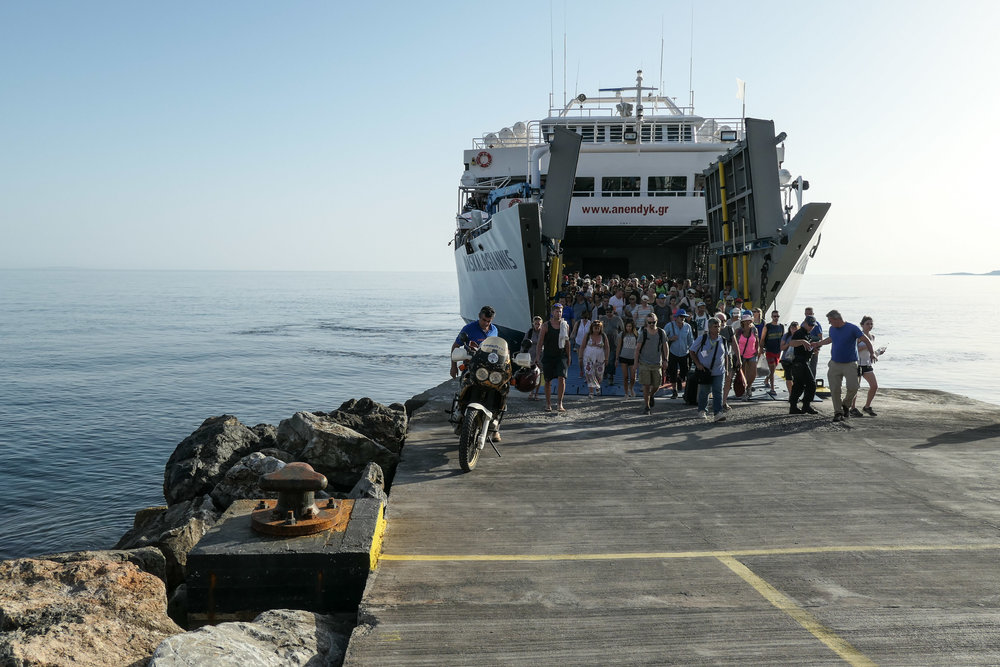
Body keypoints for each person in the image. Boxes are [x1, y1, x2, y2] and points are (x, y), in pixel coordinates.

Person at [813, 309, 875, 423]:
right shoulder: (832, 329)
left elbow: (866, 340)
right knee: (835, 389)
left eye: (830, 321)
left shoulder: (852, 328)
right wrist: (818, 343)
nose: (829, 323)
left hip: (850, 364)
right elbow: (831, 339)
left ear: (837, 319)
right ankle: (838, 412)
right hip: (835, 363)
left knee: (854, 387)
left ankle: (846, 404)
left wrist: (872, 353)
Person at [689, 318, 730, 421]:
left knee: (718, 391)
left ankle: (718, 413)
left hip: (719, 371)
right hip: (705, 370)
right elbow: (692, 351)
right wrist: (698, 364)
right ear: (710, 328)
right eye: (715, 327)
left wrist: (727, 369)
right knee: (705, 391)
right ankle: (702, 410)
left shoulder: (723, 340)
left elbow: (726, 356)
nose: (718, 329)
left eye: (719, 326)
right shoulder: (702, 338)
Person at [536, 303, 572, 412]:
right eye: (557, 311)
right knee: (547, 380)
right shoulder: (546, 326)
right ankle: (548, 403)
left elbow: (567, 342)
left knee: (562, 378)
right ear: (552, 312)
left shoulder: (565, 325)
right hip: (548, 355)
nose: (559, 313)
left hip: (561, 356)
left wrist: (569, 356)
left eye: (560, 311)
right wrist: (538, 356)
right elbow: (540, 342)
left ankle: (559, 403)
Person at [634, 313, 669, 415]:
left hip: (657, 363)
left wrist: (666, 360)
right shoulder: (643, 333)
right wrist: (635, 363)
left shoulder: (661, 332)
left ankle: (650, 395)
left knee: (657, 385)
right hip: (644, 363)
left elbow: (665, 346)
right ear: (646, 322)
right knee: (646, 385)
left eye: (653, 322)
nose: (651, 324)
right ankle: (647, 406)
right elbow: (637, 349)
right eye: (649, 322)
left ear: (657, 321)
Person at [451, 305, 498, 379]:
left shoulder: (494, 330)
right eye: (484, 320)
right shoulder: (468, 328)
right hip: (471, 365)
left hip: (489, 365)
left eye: (488, 321)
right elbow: (455, 346)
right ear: (479, 316)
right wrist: (453, 367)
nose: (486, 323)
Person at [787, 316, 819, 414]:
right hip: (799, 362)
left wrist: (814, 349)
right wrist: (802, 341)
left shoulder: (807, 334)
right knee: (811, 384)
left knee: (799, 385)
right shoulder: (799, 332)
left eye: (813, 325)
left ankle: (793, 407)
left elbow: (805, 348)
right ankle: (806, 405)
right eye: (810, 325)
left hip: (803, 361)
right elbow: (791, 343)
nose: (811, 327)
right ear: (804, 323)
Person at [851, 315, 880, 416]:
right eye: (867, 324)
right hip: (857, 364)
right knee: (855, 387)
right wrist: (864, 347)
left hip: (867, 364)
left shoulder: (872, 337)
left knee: (874, 386)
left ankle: (867, 406)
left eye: (871, 324)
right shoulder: (859, 337)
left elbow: (870, 352)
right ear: (862, 325)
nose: (870, 325)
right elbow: (853, 350)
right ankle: (853, 408)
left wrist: (877, 353)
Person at [664, 309, 694, 399]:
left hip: (684, 352)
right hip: (673, 352)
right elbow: (663, 338)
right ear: (676, 317)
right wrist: (670, 339)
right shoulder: (669, 326)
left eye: (684, 317)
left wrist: (694, 350)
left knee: (685, 371)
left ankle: (679, 379)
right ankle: (674, 391)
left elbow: (691, 340)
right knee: (672, 372)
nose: (683, 318)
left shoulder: (688, 327)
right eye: (681, 316)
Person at [579, 320, 610, 398]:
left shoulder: (603, 336)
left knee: (599, 374)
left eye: (598, 328)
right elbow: (582, 346)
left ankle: (597, 387)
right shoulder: (587, 335)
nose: (596, 329)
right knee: (589, 373)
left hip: (600, 358)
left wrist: (606, 358)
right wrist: (580, 357)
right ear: (592, 328)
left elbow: (607, 347)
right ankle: (591, 392)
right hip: (588, 357)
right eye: (595, 327)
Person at [735, 313, 760, 401]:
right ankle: (744, 391)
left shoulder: (754, 330)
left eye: (750, 320)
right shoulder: (738, 331)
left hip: (752, 353)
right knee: (743, 375)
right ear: (743, 322)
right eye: (747, 320)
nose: (749, 322)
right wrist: (737, 356)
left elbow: (757, 340)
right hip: (741, 355)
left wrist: (757, 349)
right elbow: (735, 343)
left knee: (753, 374)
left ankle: (749, 387)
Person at [761, 310, 785, 396]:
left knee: (773, 369)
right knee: (772, 368)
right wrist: (761, 349)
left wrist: (784, 348)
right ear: (771, 317)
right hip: (769, 350)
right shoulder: (767, 326)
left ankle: (766, 380)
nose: (776, 318)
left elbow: (783, 339)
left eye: (777, 316)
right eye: (774, 316)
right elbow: (762, 339)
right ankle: (772, 388)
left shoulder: (781, 326)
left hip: (778, 351)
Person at [600, 306, 623, 386]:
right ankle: (605, 372)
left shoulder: (618, 319)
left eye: (610, 312)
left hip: (614, 342)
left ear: (613, 312)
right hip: (604, 342)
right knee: (604, 358)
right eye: (607, 312)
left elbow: (622, 329)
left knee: (612, 360)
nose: (609, 314)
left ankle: (611, 376)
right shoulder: (602, 319)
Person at [523, 316, 544, 400]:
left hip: (540, 355)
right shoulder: (530, 332)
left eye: (539, 324)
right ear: (533, 324)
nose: (537, 325)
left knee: (538, 374)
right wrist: (522, 353)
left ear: (541, 324)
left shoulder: (543, 332)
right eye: (536, 324)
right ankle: (531, 392)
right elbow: (524, 343)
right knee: (531, 374)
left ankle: (536, 394)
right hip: (531, 354)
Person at [618, 319, 638, 398]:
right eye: (627, 326)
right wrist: (617, 358)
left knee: (633, 377)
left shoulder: (636, 335)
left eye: (630, 326)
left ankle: (631, 387)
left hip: (633, 358)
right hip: (623, 356)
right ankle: (626, 392)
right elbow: (619, 346)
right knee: (625, 377)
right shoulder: (622, 334)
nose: (628, 328)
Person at [779, 321, 799, 394]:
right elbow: (782, 348)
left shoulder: (800, 336)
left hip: (796, 359)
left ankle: (795, 393)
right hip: (786, 359)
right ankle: (791, 394)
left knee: (796, 377)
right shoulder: (786, 336)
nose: (793, 330)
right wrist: (789, 344)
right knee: (789, 376)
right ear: (790, 328)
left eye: (795, 328)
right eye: (792, 328)